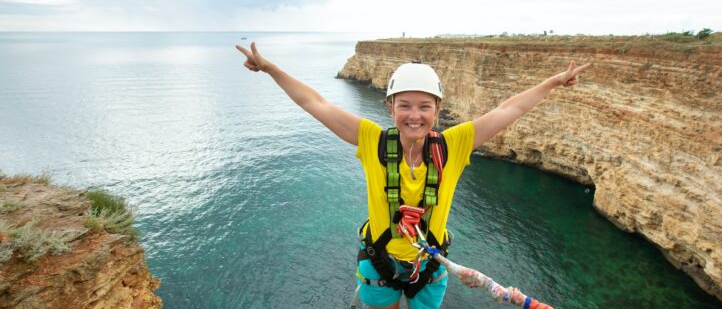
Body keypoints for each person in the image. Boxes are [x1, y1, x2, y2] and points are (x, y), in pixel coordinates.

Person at [236, 42, 590, 309]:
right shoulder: (372, 140)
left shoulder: (455, 144)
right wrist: (270, 69)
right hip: (380, 262)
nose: (414, 115)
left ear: (438, 109)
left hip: (428, 268)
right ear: (389, 107)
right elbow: (316, 104)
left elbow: (508, 109)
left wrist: (552, 83)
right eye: (404, 105)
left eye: (424, 106)